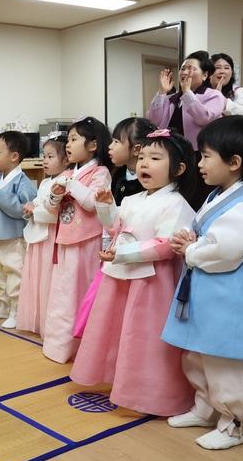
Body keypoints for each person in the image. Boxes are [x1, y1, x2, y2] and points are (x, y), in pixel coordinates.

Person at [162, 115, 243, 450]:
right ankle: (205, 407)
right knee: (198, 355)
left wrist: (192, 250)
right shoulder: (218, 196)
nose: (200, 162)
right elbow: (207, 235)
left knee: (225, 363)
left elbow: (224, 250)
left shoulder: (242, 208)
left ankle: (232, 424)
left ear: (235, 163)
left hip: (230, 303)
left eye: (206, 155)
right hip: (209, 297)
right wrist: (191, 238)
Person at [71, 128, 198, 416]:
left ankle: (151, 393)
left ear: (178, 168)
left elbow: (167, 245)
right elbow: (116, 227)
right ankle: (123, 382)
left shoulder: (176, 204)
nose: (144, 164)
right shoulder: (133, 199)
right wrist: (106, 207)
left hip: (151, 282)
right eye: (142, 157)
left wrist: (124, 253)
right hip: (122, 275)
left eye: (155, 158)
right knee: (120, 330)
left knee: (144, 336)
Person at [39, 117, 113, 362]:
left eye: (73, 139)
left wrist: (69, 184)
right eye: (68, 139)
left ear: (93, 145)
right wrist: (56, 196)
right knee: (61, 293)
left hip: (86, 242)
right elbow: (51, 208)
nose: (68, 145)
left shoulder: (100, 172)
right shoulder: (69, 173)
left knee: (79, 293)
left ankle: (82, 348)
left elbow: (93, 203)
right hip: (66, 240)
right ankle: (58, 347)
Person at [0, 131, 35, 328]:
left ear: (14, 156)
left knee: (14, 275)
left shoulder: (23, 182)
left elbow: (24, 210)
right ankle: (2, 306)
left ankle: (16, 311)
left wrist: (0, 197)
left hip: (13, 238)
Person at [16, 133, 66, 335]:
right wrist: (31, 210)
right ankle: (36, 321)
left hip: (50, 235)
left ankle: (47, 324)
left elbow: (57, 214)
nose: (45, 161)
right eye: (44, 156)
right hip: (36, 233)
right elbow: (38, 205)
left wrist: (34, 210)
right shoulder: (46, 182)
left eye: (50, 156)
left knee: (47, 279)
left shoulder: (63, 181)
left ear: (66, 159)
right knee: (35, 278)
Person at [147, 51, 226, 148]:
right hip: (169, 149)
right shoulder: (172, 98)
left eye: (191, 69)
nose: (184, 72)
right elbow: (153, 121)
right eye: (182, 68)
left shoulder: (214, 95)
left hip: (199, 151)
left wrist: (187, 92)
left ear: (205, 75)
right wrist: (162, 92)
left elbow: (204, 119)